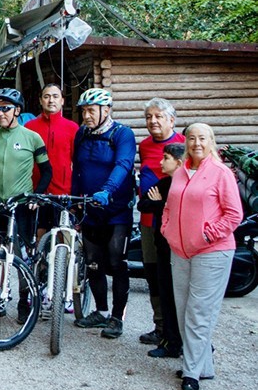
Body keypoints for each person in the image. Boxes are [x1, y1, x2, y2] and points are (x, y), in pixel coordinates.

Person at [162, 123, 242, 390]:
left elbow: (234, 215)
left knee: (199, 314)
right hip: (180, 250)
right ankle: (202, 365)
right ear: (186, 142)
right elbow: (170, 205)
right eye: (192, 138)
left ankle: (191, 373)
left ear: (211, 141)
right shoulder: (182, 172)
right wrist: (167, 229)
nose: (196, 143)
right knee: (184, 310)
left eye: (202, 138)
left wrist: (208, 236)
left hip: (213, 252)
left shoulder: (221, 173)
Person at [0, 88, 52, 320]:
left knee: (22, 255)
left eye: (6, 109)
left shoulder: (31, 137)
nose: (1, 113)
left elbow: (46, 171)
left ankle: (24, 299)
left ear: (17, 110)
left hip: (21, 204)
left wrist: (36, 196)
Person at [71, 88, 136, 339]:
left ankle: (117, 318)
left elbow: (124, 164)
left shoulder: (122, 134)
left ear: (106, 110)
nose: (86, 115)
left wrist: (107, 191)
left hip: (116, 211)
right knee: (93, 263)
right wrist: (74, 201)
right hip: (90, 210)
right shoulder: (82, 134)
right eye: (83, 111)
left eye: (91, 110)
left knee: (117, 263)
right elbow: (77, 168)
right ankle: (100, 311)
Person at [137, 98, 185, 346]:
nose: (153, 121)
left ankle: (177, 332)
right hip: (148, 221)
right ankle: (160, 325)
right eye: (148, 117)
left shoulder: (183, 146)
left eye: (158, 116)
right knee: (153, 273)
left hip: (175, 224)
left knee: (173, 276)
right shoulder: (144, 146)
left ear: (171, 120)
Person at [24, 84, 78, 236]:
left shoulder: (72, 128)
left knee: (63, 237)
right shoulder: (29, 127)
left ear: (62, 101)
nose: (51, 100)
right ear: (40, 100)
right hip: (36, 191)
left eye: (55, 96)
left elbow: (78, 163)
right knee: (38, 237)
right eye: (46, 97)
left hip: (62, 192)